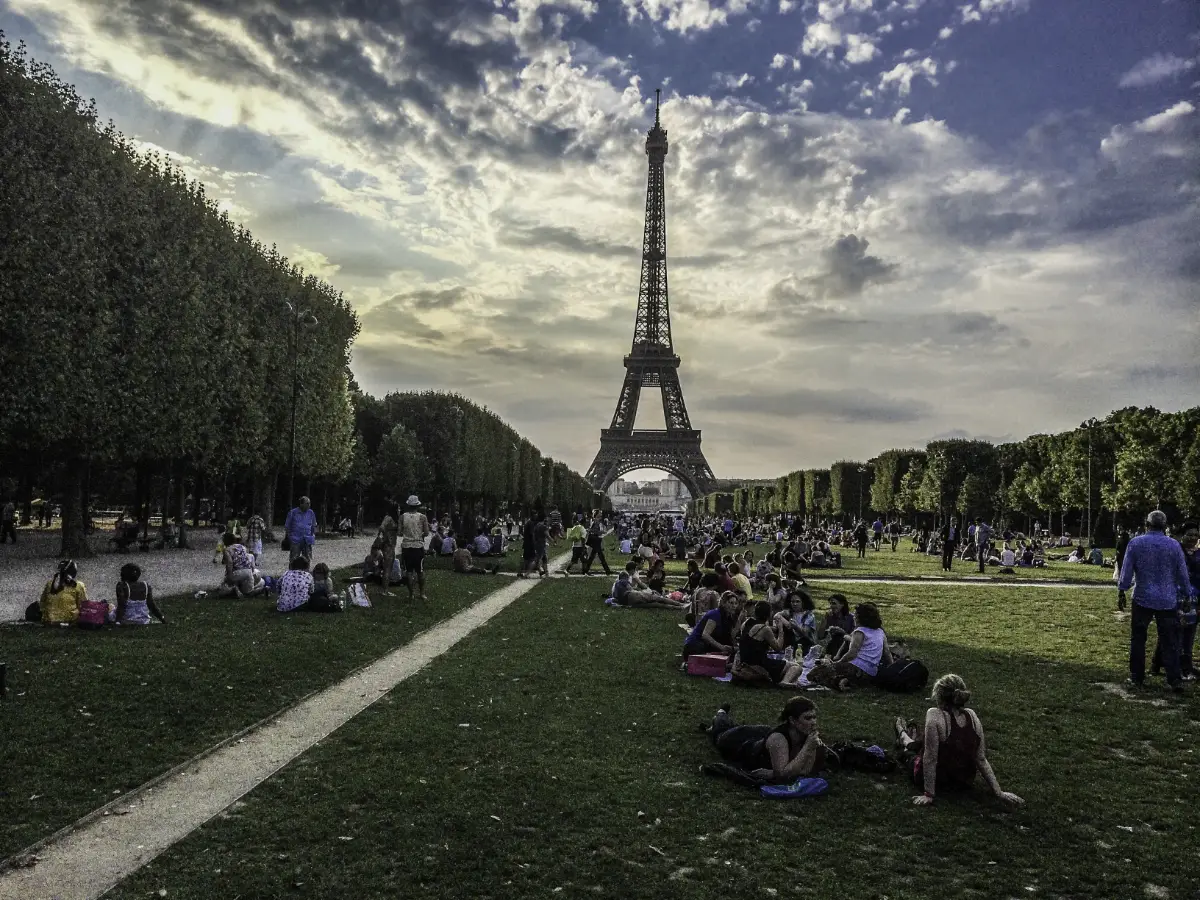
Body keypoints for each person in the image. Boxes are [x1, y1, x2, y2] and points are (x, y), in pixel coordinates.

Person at [895, 674, 1024, 808]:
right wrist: (999, 792)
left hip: (939, 780)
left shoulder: (934, 715)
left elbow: (930, 758)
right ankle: (910, 738)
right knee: (927, 743)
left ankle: (903, 737)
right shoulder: (972, 717)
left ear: (939, 695)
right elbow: (981, 759)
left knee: (909, 754)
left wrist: (929, 794)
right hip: (962, 782)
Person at [1118, 510, 1193, 692]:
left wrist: (1122, 590)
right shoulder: (1174, 546)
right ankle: (1173, 678)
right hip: (1168, 599)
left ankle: (1137, 677)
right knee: (1170, 641)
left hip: (1142, 596)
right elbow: (1183, 573)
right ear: (1165, 526)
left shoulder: (1136, 543)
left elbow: (1126, 570)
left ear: (1147, 524)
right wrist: (1187, 595)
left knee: (1138, 639)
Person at [707, 696, 828, 783]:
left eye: (814, 717)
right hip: (741, 744)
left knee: (734, 728)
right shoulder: (779, 739)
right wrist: (807, 748)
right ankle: (720, 714)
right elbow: (783, 776)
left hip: (762, 735)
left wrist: (772, 773)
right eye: (808, 718)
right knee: (720, 734)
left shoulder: (808, 736)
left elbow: (805, 772)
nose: (813, 722)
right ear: (792, 720)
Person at [810, 601, 892, 690]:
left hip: (856, 668)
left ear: (859, 618)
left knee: (814, 673)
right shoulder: (880, 632)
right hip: (871, 673)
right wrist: (892, 667)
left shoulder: (860, 631)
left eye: (855, 615)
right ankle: (848, 681)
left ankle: (839, 681)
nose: (853, 617)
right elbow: (887, 653)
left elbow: (852, 653)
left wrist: (838, 663)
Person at [733, 600, 804, 686]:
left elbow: (751, 641)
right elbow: (778, 648)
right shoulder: (764, 629)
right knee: (796, 667)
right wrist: (781, 630)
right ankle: (784, 682)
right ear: (769, 614)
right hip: (759, 664)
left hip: (744, 661)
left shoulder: (746, 623)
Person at [683, 590, 739, 659]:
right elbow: (705, 635)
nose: (734, 606)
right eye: (731, 603)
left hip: (707, 645)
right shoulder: (715, 614)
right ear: (723, 603)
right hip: (696, 645)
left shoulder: (729, 617)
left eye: (736, 603)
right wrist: (721, 647)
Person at [399, 495, 431, 600]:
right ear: (418, 505)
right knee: (420, 571)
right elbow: (426, 533)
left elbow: (399, 533)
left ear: (408, 505)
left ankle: (411, 594)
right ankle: (422, 593)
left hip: (406, 546)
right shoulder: (423, 517)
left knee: (409, 571)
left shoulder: (402, 516)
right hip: (418, 546)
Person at [36, 559, 87, 624]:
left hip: (49, 620)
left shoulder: (49, 584)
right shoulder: (78, 585)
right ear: (74, 572)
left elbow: (42, 602)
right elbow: (83, 606)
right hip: (69, 620)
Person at [221, 533, 263, 597]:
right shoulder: (242, 547)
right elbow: (248, 558)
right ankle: (262, 589)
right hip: (248, 571)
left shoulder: (227, 550)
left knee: (247, 593)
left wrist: (229, 575)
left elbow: (230, 563)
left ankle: (235, 589)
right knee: (247, 590)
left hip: (238, 572)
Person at [284, 496, 317, 562]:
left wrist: (313, 535)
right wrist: (289, 537)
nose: (309, 505)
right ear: (301, 504)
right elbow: (287, 526)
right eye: (307, 503)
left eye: (309, 503)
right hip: (295, 539)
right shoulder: (293, 512)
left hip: (307, 539)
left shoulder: (311, 512)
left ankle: (306, 572)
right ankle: (292, 572)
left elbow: (314, 525)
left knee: (307, 559)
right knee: (294, 559)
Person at [377, 503, 400, 596]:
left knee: (389, 568)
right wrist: (385, 537)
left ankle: (385, 589)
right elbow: (382, 527)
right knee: (387, 568)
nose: (399, 510)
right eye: (398, 508)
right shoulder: (389, 518)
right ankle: (385, 591)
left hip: (391, 545)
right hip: (388, 546)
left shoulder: (394, 519)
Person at [582, 510, 612, 577]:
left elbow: (592, 530)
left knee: (592, 556)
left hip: (597, 540)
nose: (601, 514)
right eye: (600, 513)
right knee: (601, 556)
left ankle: (585, 571)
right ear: (597, 514)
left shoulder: (597, 520)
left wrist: (601, 531)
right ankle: (607, 571)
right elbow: (592, 530)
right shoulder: (595, 521)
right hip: (596, 539)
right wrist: (601, 532)